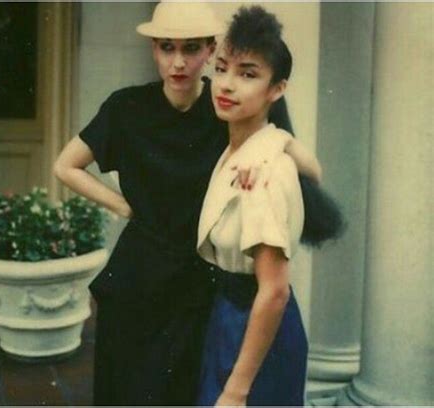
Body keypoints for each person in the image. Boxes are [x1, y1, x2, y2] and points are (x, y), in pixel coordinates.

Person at [53, 3, 321, 405]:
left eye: (191, 48)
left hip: (197, 284)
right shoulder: (126, 107)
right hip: (139, 276)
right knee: (126, 390)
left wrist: (270, 149)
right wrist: (124, 206)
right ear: (153, 50)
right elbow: (65, 166)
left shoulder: (223, 110)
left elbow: (302, 162)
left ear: (210, 51)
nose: (178, 62)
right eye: (166, 47)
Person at [196, 6, 340, 406]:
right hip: (230, 320)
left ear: (276, 89)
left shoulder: (263, 175)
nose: (226, 85)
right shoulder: (240, 150)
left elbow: (274, 291)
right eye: (221, 68)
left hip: (255, 330)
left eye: (248, 74)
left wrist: (236, 391)